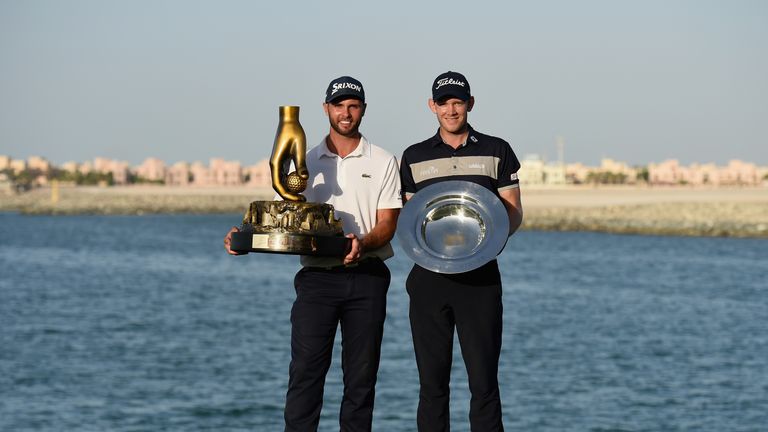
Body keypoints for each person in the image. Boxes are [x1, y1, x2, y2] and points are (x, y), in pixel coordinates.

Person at [224, 76, 402, 432]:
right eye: (339, 106)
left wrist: (361, 244)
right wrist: (243, 237)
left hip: (367, 277)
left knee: (361, 378)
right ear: (326, 110)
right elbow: (280, 217)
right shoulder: (305, 161)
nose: (346, 113)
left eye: (353, 106)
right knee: (306, 372)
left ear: (363, 110)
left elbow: (387, 225)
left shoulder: (383, 160)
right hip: (317, 280)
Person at [399, 71, 524, 432]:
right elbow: (412, 221)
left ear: (470, 103)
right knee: (432, 386)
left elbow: (513, 211)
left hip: (481, 280)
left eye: (458, 102)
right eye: (444, 103)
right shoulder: (413, 156)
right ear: (432, 106)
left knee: (484, 384)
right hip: (428, 281)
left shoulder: (497, 149)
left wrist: (486, 244)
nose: (451, 110)